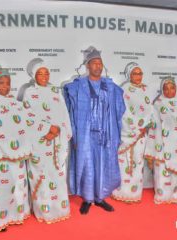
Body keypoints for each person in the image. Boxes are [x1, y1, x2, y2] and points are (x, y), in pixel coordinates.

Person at [0, 69, 55, 231]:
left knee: (16, 185)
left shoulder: (13, 103)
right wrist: (11, 138)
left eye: (8, 83)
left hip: (15, 155)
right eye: (1, 82)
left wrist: (48, 127)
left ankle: (16, 216)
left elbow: (28, 120)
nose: (5, 86)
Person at [64, 46, 125, 214]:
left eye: (100, 63)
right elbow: (69, 113)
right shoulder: (77, 87)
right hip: (85, 135)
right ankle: (88, 199)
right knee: (87, 166)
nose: (98, 66)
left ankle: (100, 198)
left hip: (106, 134)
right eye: (94, 63)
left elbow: (119, 108)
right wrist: (74, 136)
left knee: (103, 165)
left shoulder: (111, 86)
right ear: (88, 66)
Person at [23, 58, 72, 223]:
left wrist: (58, 131)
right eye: (40, 73)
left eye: (46, 73)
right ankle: (44, 211)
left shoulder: (55, 91)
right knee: (42, 176)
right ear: (34, 75)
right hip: (40, 142)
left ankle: (60, 209)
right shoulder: (30, 93)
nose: (44, 76)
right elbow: (28, 118)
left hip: (57, 140)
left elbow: (64, 114)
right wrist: (46, 130)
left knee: (57, 175)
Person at [144, 77, 177, 205]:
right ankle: (163, 197)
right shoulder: (157, 104)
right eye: (166, 89)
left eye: (172, 88)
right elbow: (154, 127)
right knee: (163, 173)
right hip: (163, 146)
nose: (169, 91)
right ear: (162, 90)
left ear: (176, 89)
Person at [112, 62, 153, 202]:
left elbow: (150, 110)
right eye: (135, 73)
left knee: (138, 162)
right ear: (129, 75)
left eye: (140, 73)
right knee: (125, 163)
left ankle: (135, 194)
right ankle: (123, 192)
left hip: (142, 134)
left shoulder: (146, 89)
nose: (138, 76)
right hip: (128, 132)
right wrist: (135, 128)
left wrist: (145, 126)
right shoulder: (125, 89)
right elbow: (124, 112)